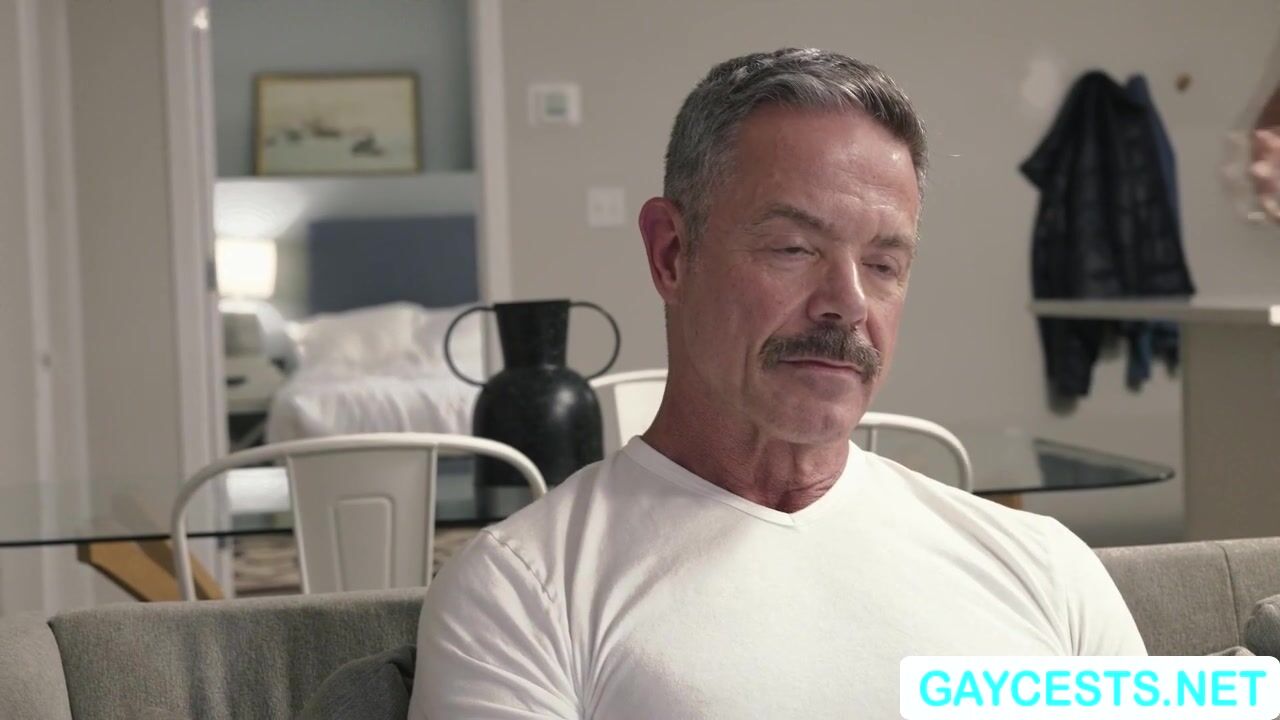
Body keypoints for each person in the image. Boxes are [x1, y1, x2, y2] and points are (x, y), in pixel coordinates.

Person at [408, 48, 1146, 719]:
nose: (848, 302)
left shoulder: (1045, 567)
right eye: (794, 248)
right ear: (671, 254)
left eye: (883, 265)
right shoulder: (523, 595)